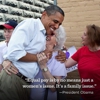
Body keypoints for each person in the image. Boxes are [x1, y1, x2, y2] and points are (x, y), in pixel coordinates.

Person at [0, 5, 65, 100]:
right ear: (44, 15)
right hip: (14, 79)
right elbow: (14, 52)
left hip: (25, 83)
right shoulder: (30, 24)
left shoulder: (43, 33)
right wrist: (41, 58)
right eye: (55, 21)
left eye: (59, 24)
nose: (56, 26)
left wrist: (61, 52)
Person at [30, 25, 67, 100]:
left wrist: (43, 66)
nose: (48, 35)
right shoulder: (31, 52)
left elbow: (54, 87)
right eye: (46, 33)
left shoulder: (58, 58)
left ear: (57, 41)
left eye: (52, 34)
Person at [64, 24, 100, 100]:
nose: (81, 36)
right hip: (85, 96)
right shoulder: (82, 51)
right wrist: (59, 51)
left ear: (92, 37)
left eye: (84, 34)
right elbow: (66, 64)